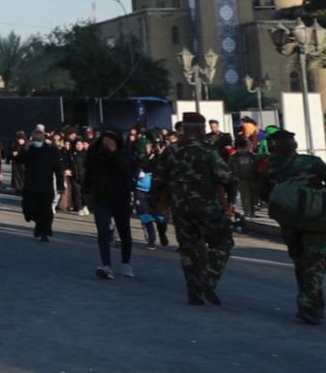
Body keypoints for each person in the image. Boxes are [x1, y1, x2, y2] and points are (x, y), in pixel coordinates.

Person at [150, 112, 236, 306]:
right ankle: (208, 280)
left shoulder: (170, 151)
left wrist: (155, 204)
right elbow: (228, 178)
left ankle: (194, 293)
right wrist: (229, 201)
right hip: (207, 207)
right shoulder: (208, 151)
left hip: (181, 208)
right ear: (200, 129)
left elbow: (158, 179)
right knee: (222, 243)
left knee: (190, 250)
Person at [264, 130, 326, 325]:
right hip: (314, 218)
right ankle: (308, 304)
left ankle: (310, 303)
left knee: (301, 261)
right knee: (316, 263)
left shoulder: (269, 166)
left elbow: (265, 194)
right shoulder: (311, 162)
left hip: (289, 221)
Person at [84, 130, 137, 280]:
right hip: (100, 197)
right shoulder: (94, 153)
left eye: (111, 140)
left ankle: (126, 263)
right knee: (103, 231)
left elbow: (126, 170)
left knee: (124, 231)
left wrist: (114, 152)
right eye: (105, 139)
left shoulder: (124, 153)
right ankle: (106, 265)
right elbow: (89, 172)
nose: (107, 142)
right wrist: (86, 192)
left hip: (121, 197)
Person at [19, 130, 60, 241]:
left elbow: (57, 167)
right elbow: (18, 161)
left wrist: (60, 185)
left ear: (43, 137)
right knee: (29, 209)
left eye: (40, 135)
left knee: (46, 210)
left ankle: (45, 232)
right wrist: (25, 149)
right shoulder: (29, 149)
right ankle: (39, 224)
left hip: (46, 185)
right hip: (30, 185)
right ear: (32, 136)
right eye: (35, 135)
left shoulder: (50, 150)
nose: (37, 137)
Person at [228, 138, 261, 222]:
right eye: (240, 148)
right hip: (241, 179)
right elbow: (230, 167)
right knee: (245, 197)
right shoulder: (234, 157)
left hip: (253, 178)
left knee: (254, 197)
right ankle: (248, 213)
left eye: (244, 148)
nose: (243, 150)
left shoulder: (253, 156)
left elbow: (258, 166)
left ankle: (252, 212)